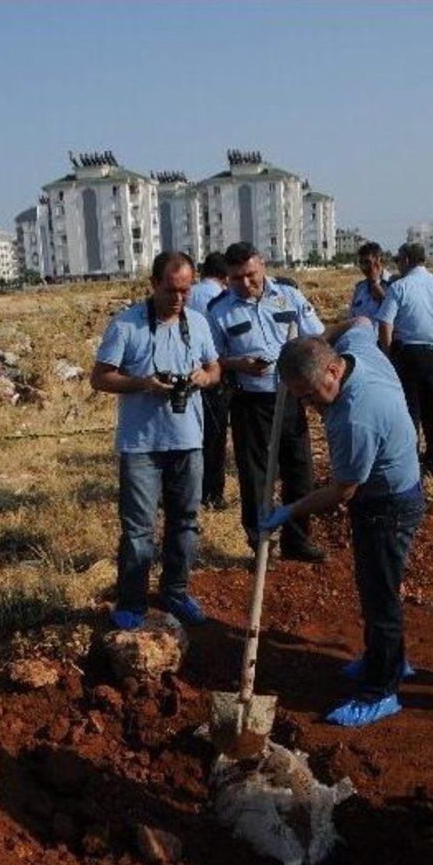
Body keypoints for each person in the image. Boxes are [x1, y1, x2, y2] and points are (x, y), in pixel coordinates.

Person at [260, 330, 424, 727]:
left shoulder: (355, 417)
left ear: (334, 369)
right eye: (300, 397)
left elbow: (342, 491)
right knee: (376, 587)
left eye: (313, 395)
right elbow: (362, 320)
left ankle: (380, 691)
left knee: (380, 597)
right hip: (400, 488)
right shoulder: (357, 349)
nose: (309, 405)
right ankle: (388, 657)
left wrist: (290, 510)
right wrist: (318, 338)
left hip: (386, 505)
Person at [91, 251, 220, 628]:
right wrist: (143, 384)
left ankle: (175, 592)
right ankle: (131, 601)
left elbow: (215, 367)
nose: (179, 298)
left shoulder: (197, 323)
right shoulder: (126, 325)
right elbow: (99, 378)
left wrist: (203, 378)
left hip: (187, 439)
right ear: (153, 285)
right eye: (170, 290)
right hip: (141, 444)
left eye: (186, 290)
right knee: (138, 530)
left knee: (185, 522)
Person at [206, 241, 328, 562]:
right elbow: (213, 359)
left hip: (290, 398)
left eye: (251, 275)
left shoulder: (290, 297)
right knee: (256, 478)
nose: (245, 284)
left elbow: (316, 337)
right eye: (236, 279)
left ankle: (297, 541)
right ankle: (262, 545)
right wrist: (239, 364)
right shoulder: (219, 310)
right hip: (250, 403)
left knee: (300, 472)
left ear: (263, 265)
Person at [375, 242, 433, 477]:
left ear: (405, 261)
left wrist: (388, 353)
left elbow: (385, 323)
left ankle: (411, 464)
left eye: (398, 259)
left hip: (410, 356)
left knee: (410, 411)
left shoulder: (399, 287)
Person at [187, 252, 231, 510]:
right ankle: (212, 493)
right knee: (214, 439)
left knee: (192, 436)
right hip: (213, 374)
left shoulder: (188, 293)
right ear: (225, 276)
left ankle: (189, 489)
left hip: (188, 376)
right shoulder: (221, 298)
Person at [348, 241, 394, 336]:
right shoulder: (360, 288)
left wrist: (375, 284)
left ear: (378, 261)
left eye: (367, 262)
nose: (364, 267)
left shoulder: (394, 284)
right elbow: (351, 317)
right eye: (361, 263)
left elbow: (392, 313)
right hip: (361, 339)